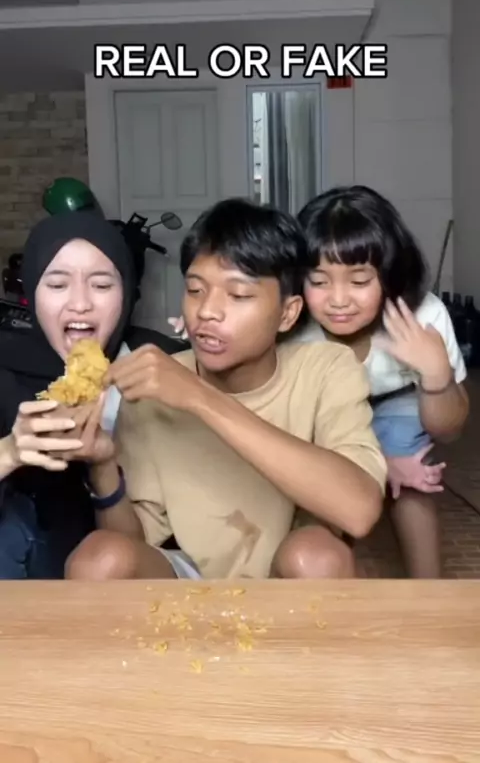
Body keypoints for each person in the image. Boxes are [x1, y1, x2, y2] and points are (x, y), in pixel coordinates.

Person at [64, 198, 387, 582]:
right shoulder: (154, 385)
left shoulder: (325, 369)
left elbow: (359, 510)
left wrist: (199, 398)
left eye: (238, 295)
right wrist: (103, 467)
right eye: (195, 290)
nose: (207, 311)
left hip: (288, 582)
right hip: (187, 581)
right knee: (97, 558)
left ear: (288, 314)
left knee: (316, 556)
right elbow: (130, 547)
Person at [294, 185, 469, 579]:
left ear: (389, 277)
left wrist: (437, 376)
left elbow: (451, 430)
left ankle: (428, 592)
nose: (339, 300)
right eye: (319, 281)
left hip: (396, 401)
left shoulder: (422, 316)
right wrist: (382, 466)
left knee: (415, 471)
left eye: (359, 282)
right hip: (318, 414)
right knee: (316, 488)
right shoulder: (290, 322)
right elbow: (284, 429)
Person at [0, 210, 137, 579]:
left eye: (102, 285)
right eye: (58, 285)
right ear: (32, 291)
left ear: (126, 292)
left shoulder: (155, 368)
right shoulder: (5, 369)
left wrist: (103, 465)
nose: (80, 303)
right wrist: (10, 452)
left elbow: (139, 555)